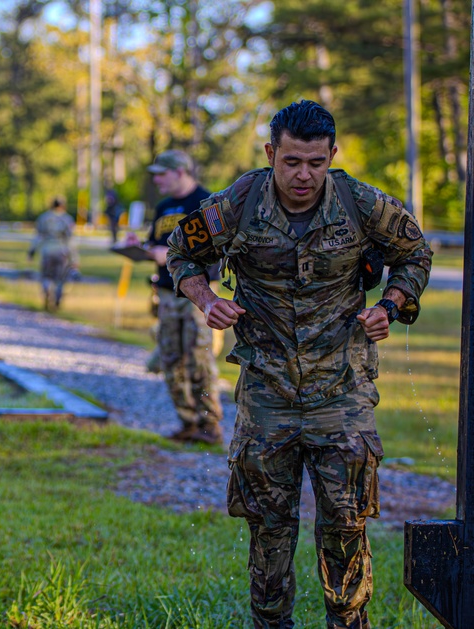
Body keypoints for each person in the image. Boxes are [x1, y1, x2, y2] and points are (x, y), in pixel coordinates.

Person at [166, 100, 432, 629]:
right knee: (268, 526)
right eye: (291, 162)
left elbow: (415, 252)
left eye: (316, 161)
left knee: (346, 523)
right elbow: (181, 251)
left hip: (342, 390)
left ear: (332, 154)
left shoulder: (360, 203)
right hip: (267, 392)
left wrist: (390, 306)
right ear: (271, 154)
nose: (304, 174)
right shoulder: (239, 202)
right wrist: (206, 299)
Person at [146, 149, 224, 445]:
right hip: (166, 294)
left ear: (180, 171)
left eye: (161, 174)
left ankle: (210, 424)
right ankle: (188, 421)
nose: (156, 180)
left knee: (198, 359)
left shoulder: (206, 202)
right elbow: (154, 243)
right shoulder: (164, 207)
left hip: (196, 295)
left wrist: (165, 254)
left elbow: (216, 251)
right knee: (170, 359)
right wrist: (142, 247)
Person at [28, 196, 77, 310]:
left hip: (47, 251)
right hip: (61, 251)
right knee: (60, 278)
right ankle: (57, 299)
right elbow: (70, 240)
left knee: (46, 275)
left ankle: (46, 291)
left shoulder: (44, 218)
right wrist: (74, 258)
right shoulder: (67, 219)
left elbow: (38, 237)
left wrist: (31, 251)